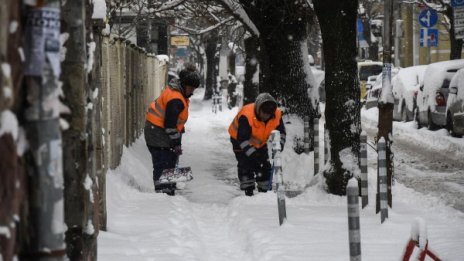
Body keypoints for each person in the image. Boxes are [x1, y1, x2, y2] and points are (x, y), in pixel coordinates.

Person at [144, 64, 200, 195]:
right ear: (184, 85)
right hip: (157, 134)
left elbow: (175, 121)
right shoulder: (176, 99)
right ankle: (163, 192)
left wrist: (177, 140)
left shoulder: (178, 93)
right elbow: (170, 125)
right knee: (163, 163)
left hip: (158, 132)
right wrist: (176, 143)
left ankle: (169, 189)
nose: (192, 91)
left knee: (170, 161)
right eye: (191, 88)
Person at [228, 93, 286, 196]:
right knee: (246, 164)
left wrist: (279, 146)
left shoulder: (276, 115)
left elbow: (281, 133)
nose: (266, 116)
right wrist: (253, 154)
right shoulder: (246, 115)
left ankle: (264, 191)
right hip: (239, 140)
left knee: (264, 165)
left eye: (269, 114)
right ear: (258, 109)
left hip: (260, 142)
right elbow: (242, 140)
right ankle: (248, 190)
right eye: (264, 113)